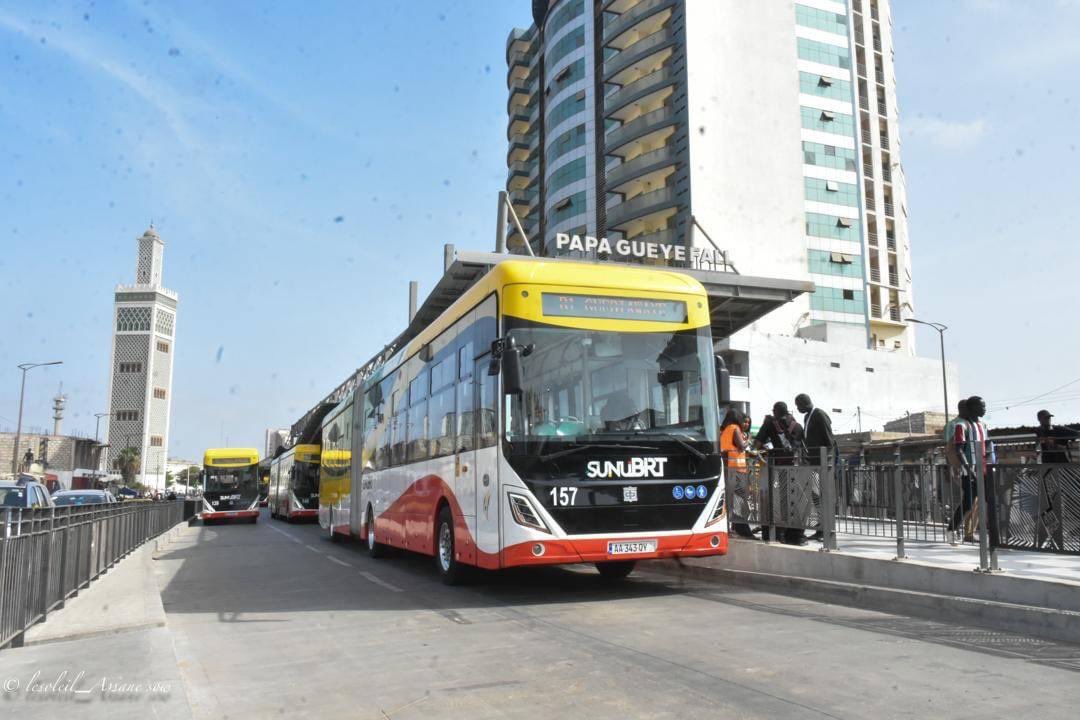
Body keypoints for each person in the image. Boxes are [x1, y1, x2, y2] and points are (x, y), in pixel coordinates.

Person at [949, 395, 999, 548]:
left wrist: (993, 463)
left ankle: (995, 538)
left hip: (985, 470)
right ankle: (951, 530)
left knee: (991, 500)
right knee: (969, 503)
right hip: (969, 471)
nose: (984, 409)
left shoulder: (984, 426)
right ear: (972, 408)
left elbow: (989, 446)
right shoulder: (962, 426)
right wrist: (968, 468)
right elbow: (959, 449)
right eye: (981, 406)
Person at [753, 402, 804, 544]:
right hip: (796, 468)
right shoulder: (798, 426)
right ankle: (792, 534)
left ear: (775, 411)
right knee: (792, 499)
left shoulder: (770, 424)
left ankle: (773, 533)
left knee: (774, 500)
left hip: (776, 468)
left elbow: (756, 444)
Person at [795, 393, 836, 542]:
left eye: (798, 405)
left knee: (823, 494)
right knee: (815, 494)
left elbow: (829, 440)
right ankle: (820, 526)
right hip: (812, 462)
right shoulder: (807, 417)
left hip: (823, 462)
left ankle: (827, 528)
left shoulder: (819, 414)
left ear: (804, 403)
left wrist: (828, 462)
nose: (797, 408)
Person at [720, 409, 754, 538]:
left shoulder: (723, 430)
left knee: (728, 501)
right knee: (740, 500)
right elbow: (741, 446)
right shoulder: (734, 428)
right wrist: (748, 440)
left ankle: (730, 528)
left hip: (727, 467)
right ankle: (741, 528)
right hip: (738, 469)